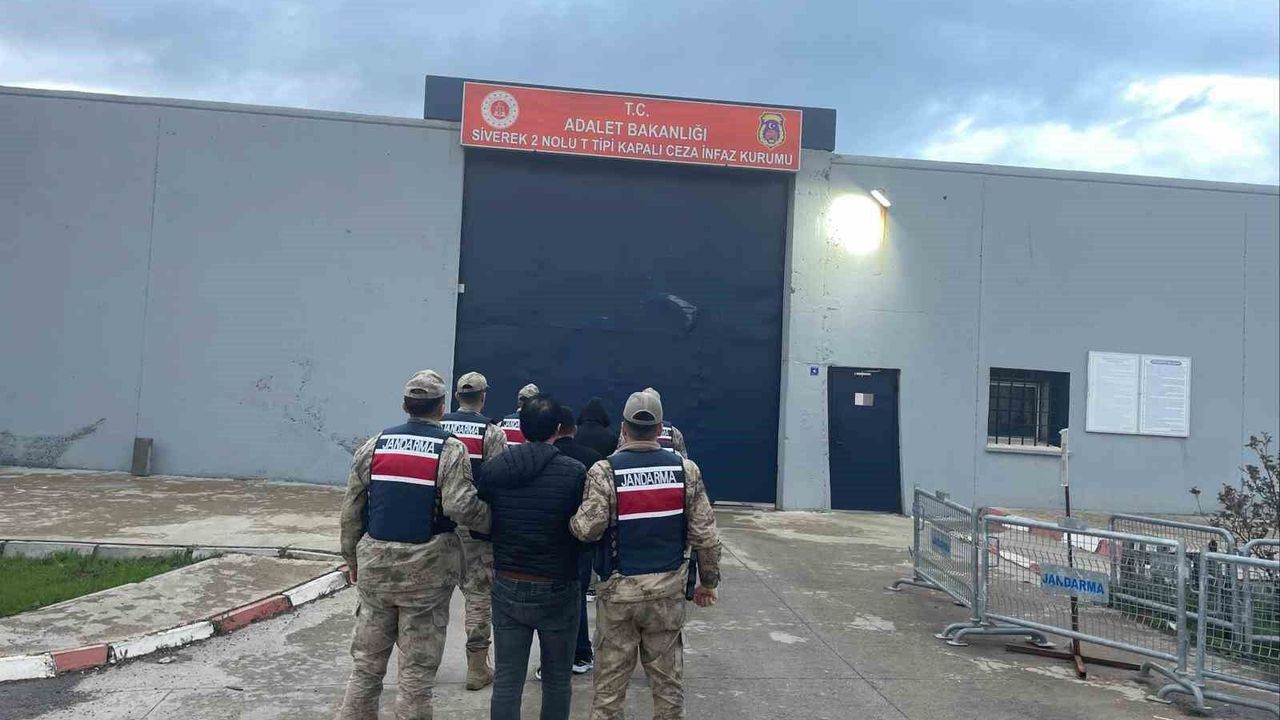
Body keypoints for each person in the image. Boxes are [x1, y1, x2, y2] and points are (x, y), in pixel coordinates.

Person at [336, 370, 491, 720]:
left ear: (405, 406)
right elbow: (460, 506)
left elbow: (351, 512)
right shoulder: (450, 449)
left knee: (366, 665)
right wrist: (492, 522)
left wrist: (352, 560)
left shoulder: (374, 445)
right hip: (427, 573)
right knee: (416, 674)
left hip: (376, 568)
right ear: (441, 407)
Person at [571, 390, 722, 720]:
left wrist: (571, 521)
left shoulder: (604, 471)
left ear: (623, 428)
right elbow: (706, 536)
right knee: (668, 686)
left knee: (609, 691)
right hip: (667, 594)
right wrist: (708, 582)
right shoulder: (686, 471)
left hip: (618, 595)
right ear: (659, 428)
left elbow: (588, 529)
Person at [475, 395, 588, 720]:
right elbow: (584, 530)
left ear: (521, 428)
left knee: (507, 681)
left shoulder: (494, 469)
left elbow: (481, 524)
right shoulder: (574, 473)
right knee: (557, 680)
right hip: (559, 586)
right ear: (558, 429)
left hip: (508, 582)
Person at [440, 371, 508, 691]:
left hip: (436, 527)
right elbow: (498, 483)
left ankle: (420, 661)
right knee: (478, 597)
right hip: (475, 529)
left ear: (457, 397)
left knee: (432, 596)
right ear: (483, 396)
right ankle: (477, 669)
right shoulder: (492, 433)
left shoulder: (436, 429)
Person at [537, 406, 602, 678]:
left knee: (548, 603)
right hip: (581, 540)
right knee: (577, 596)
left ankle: (551, 660)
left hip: (547, 539)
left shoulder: (542, 458)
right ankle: (581, 653)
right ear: (573, 429)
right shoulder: (593, 459)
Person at [615, 387, 689, 458]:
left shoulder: (627, 429)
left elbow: (620, 451)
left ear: (624, 429)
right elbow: (683, 456)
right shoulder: (673, 431)